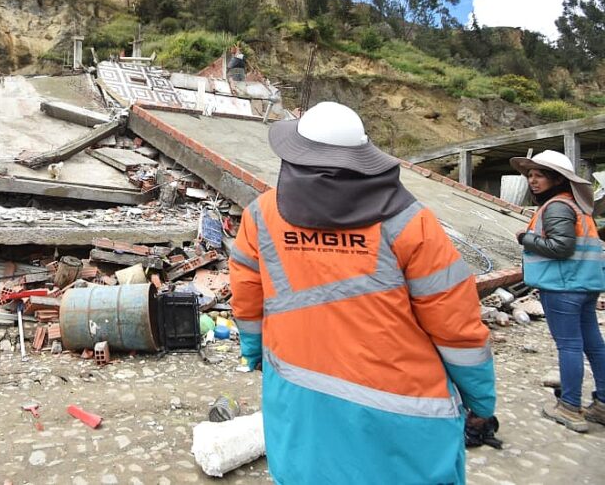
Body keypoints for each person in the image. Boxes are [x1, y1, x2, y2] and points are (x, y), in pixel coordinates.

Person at [229, 101, 497, 484]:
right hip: (400, 412)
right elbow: (456, 325)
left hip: (300, 396)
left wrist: (253, 352)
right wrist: (480, 399)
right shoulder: (410, 222)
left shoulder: (261, 215)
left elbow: (247, 298)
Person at [511, 150, 605, 432]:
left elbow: (561, 247)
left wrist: (525, 238)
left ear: (557, 179)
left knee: (570, 345)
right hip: (585, 285)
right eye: (530, 175)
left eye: (540, 175)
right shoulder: (577, 206)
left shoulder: (557, 207)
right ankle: (602, 403)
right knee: (593, 345)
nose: (532, 180)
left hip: (563, 287)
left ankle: (569, 406)